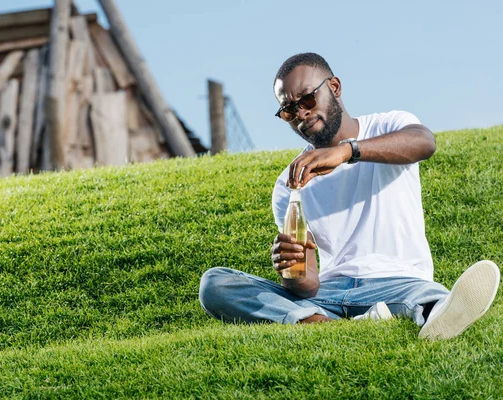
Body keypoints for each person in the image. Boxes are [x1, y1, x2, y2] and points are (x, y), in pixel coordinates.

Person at [198, 52, 500, 339]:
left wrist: (347, 152)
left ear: (334, 87)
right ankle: (323, 323)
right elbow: (308, 283)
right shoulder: (290, 182)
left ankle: (436, 313)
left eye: (307, 98)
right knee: (216, 284)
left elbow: (424, 143)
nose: (301, 112)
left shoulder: (388, 125)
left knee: (428, 295)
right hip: (327, 294)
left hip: (399, 282)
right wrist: (292, 270)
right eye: (289, 110)